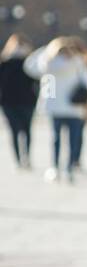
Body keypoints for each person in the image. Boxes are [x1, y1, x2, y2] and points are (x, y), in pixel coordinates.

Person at [24, 35, 87, 182]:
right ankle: (69, 168)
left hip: (55, 109)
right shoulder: (78, 63)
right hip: (74, 108)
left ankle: (55, 167)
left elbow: (29, 66)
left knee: (56, 139)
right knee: (72, 140)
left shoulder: (48, 64)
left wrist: (45, 49)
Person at [0, 32, 39, 169]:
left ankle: (19, 160)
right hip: (26, 100)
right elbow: (40, 81)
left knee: (15, 131)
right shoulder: (30, 62)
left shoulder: (5, 62)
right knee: (26, 131)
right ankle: (25, 158)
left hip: (9, 101)